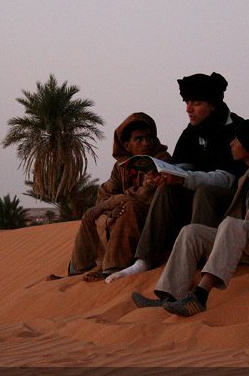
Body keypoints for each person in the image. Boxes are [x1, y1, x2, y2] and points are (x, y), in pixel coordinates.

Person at [130, 119, 249, 316]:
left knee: (233, 225)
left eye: (237, 139)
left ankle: (199, 296)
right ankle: (168, 297)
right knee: (191, 232)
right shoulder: (247, 177)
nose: (231, 143)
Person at [105, 72, 247, 283]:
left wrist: (183, 179)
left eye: (196, 103)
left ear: (213, 105)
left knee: (203, 191)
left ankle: (197, 258)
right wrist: (165, 174)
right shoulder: (191, 131)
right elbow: (183, 165)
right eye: (187, 102)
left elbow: (225, 179)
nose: (188, 109)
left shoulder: (235, 129)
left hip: (232, 200)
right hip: (197, 195)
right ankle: (144, 260)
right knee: (167, 188)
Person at [46, 112, 170, 281]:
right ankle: (79, 269)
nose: (145, 143)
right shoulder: (121, 167)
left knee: (128, 209)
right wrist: (111, 209)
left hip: (154, 219)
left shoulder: (161, 161)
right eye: (139, 139)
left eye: (148, 138)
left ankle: (113, 267)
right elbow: (105, 194)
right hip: (123, 211)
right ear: (127, 145)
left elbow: (150, 196)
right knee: (92, 215)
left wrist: (124, 199)